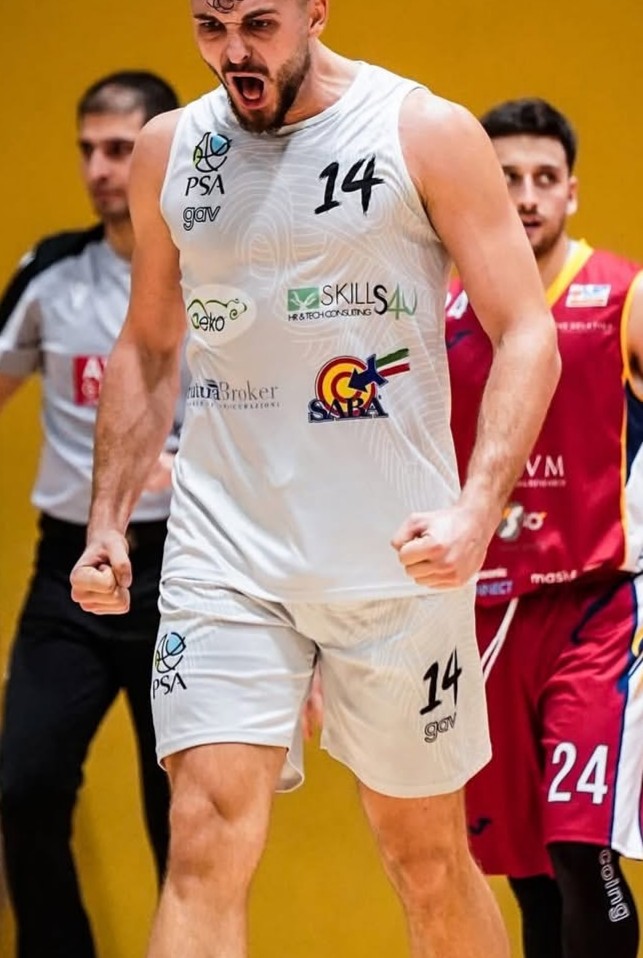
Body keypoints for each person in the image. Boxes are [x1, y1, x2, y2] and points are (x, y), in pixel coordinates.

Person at [70, 3, 560, 956]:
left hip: (397, 558)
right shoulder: (171, 148)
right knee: (202, 842)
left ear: (315, 13)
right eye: (211, 25)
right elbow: (149, 344)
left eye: (259, 23)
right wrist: (107, 523)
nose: (233, 51)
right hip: (227, 553)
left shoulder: (422, 131)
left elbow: (526, 332)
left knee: (424, 857)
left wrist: (473, 512)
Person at [446, 97, 643, 958]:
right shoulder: (438, 308)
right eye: (505, 179)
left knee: (578, 850)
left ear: (571, 191)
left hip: (598, 609)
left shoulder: (623, 295)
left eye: (543, 178)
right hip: (485, 613)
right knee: (525, 869)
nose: (525, 196)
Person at [0, 71, 181, 958]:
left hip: (184, 570)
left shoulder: (219, 275)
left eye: (119, 149)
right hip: (67, 570)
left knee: (182, 814)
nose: (101, 169)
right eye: (88, 150)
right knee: (23, 787)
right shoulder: (51, 274)